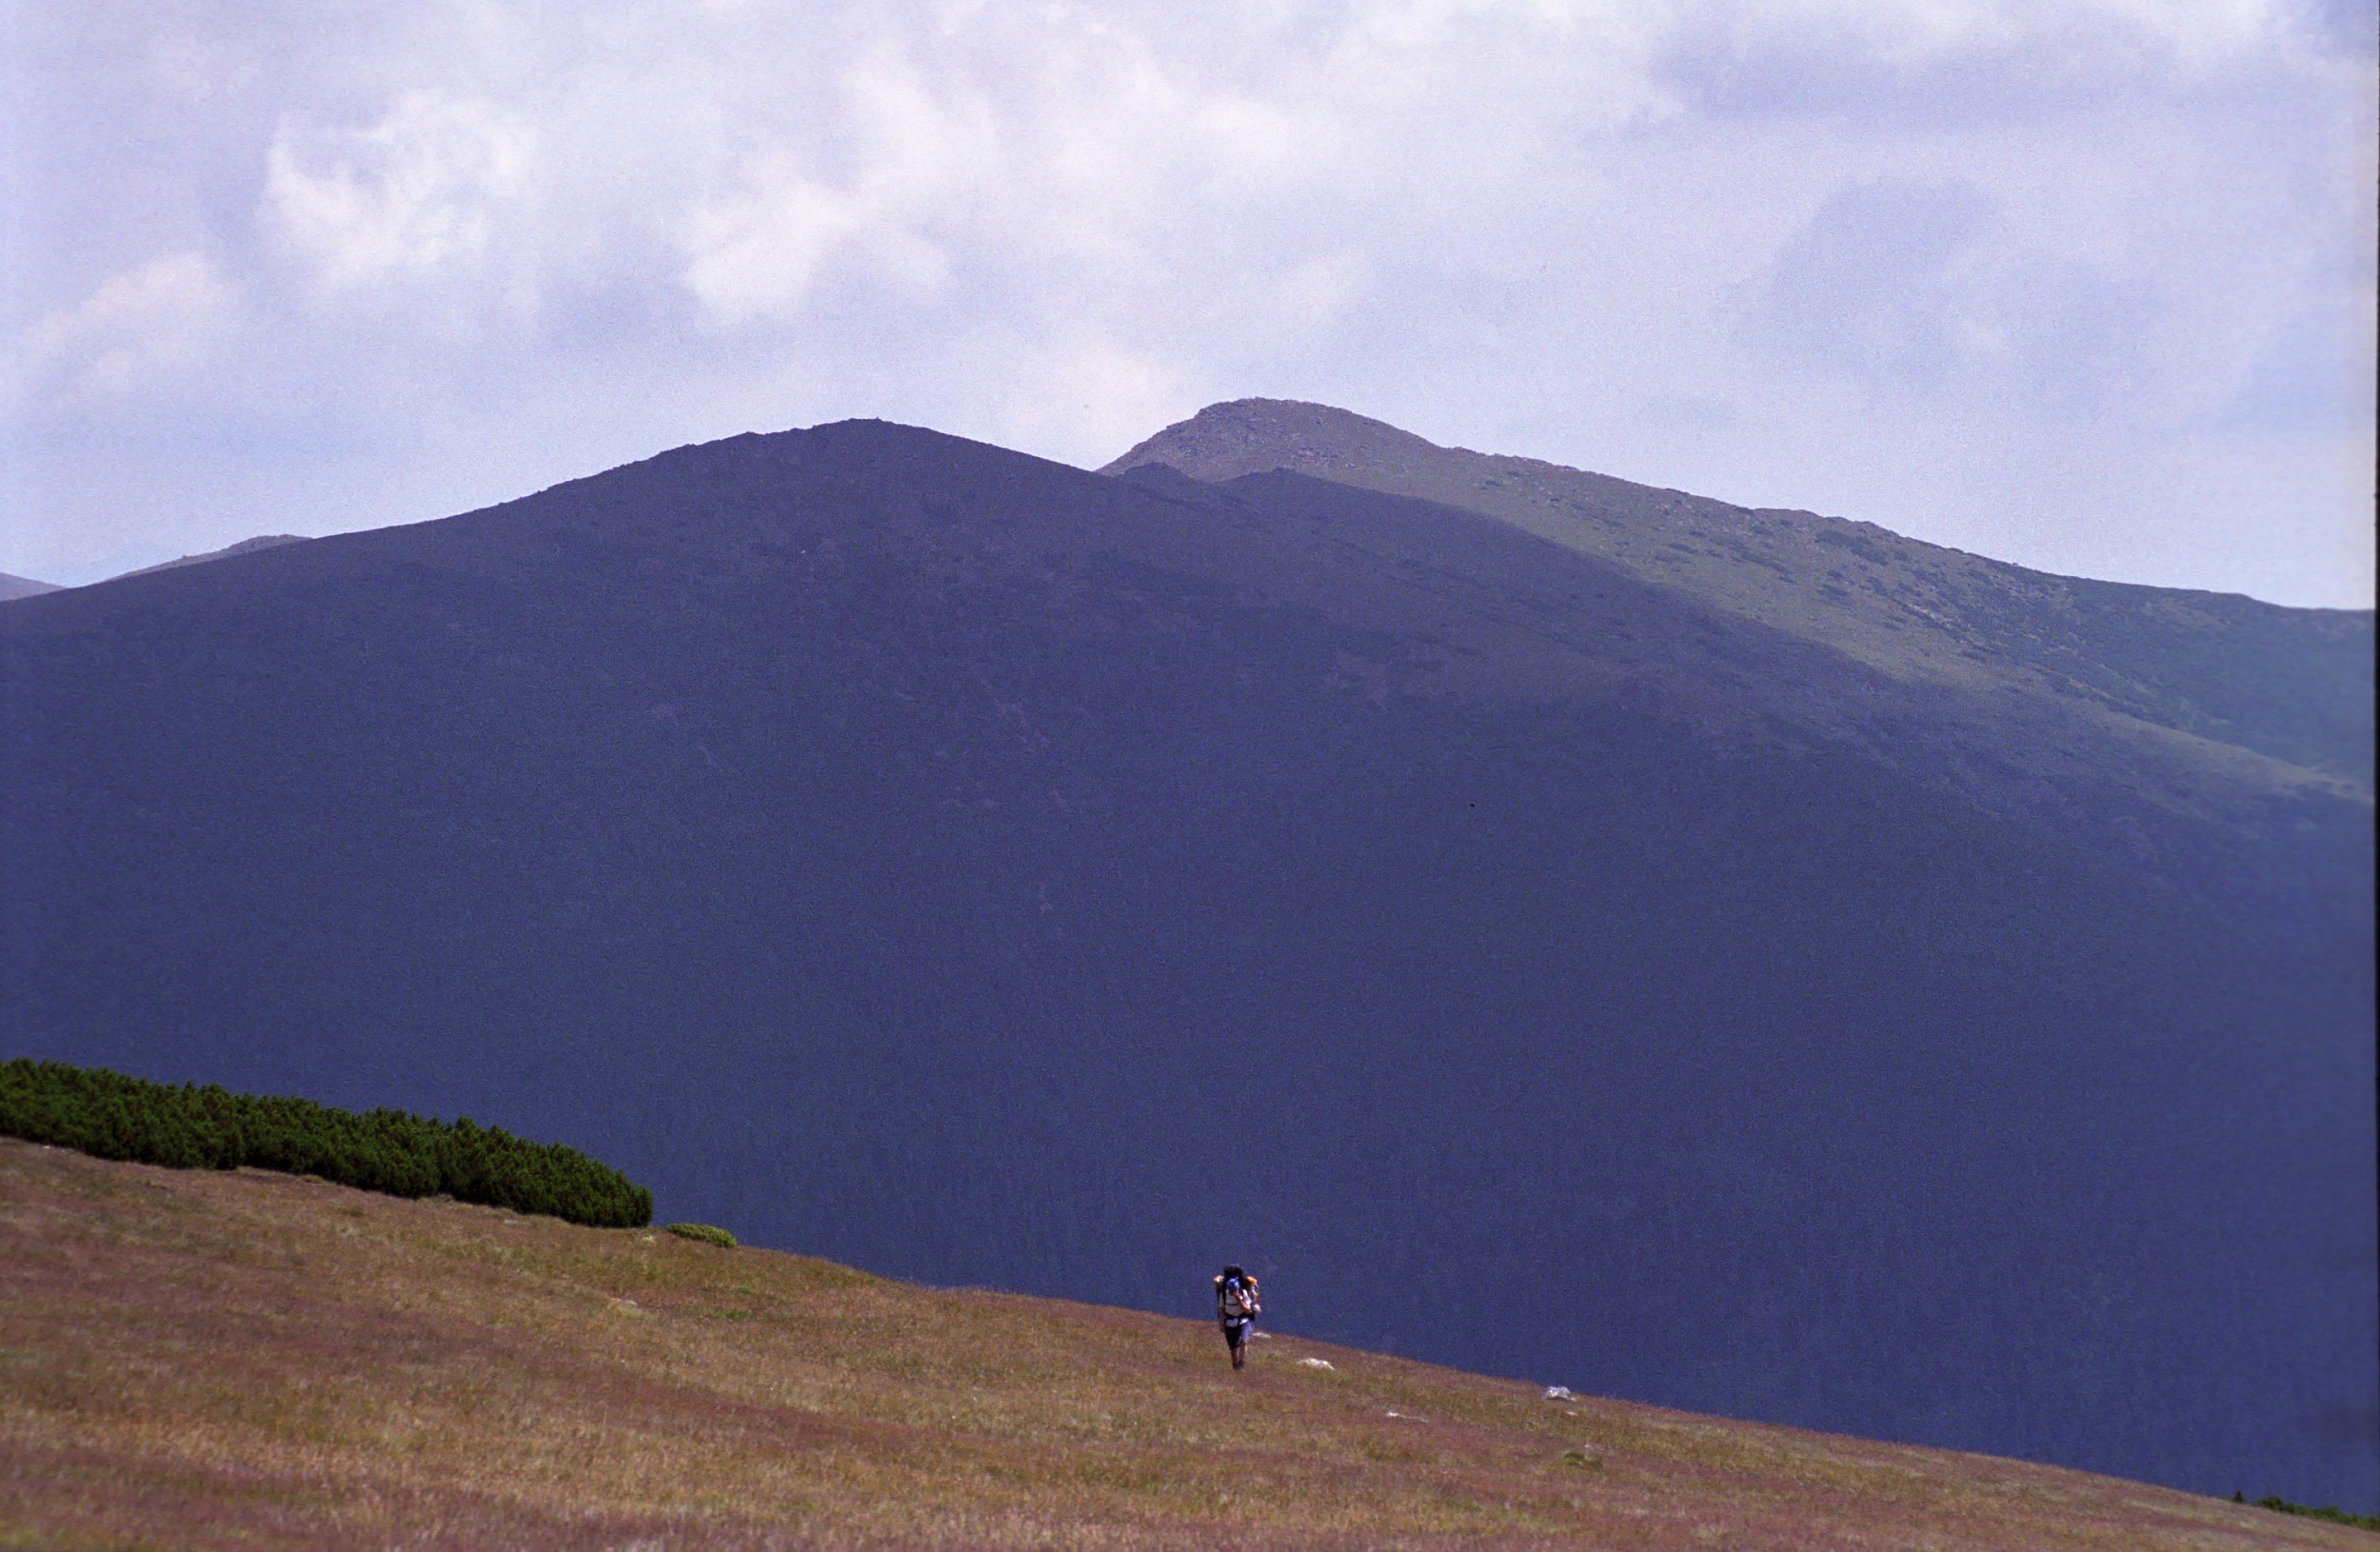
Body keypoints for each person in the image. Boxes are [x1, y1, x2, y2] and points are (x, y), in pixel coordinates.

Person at [1214, 1264, 1260, 1368]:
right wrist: (1221, 1323)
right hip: (1230, 1321)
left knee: (1244, 1341)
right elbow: (1221, 1309)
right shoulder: (1225, 1294)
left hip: (1243, 1320)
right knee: (1233, 1347)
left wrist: (1239, 1300)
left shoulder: (1243, 1293)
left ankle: (1241, 1364)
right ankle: (1236, 1366)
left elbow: (1247, 1309)